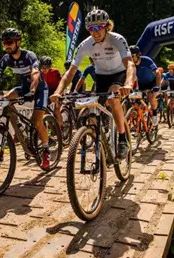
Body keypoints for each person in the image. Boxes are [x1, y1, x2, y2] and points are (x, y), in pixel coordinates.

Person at [51, 9, 136, 160]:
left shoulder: (117, 39)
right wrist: (58, 91)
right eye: (91, 28)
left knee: (113, 98)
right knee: (93, 107)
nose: (95, 32)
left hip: (118, 73)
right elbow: (70, 72)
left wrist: (128, 83)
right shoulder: (85, 45)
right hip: (101, 76)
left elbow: (130, 64)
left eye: (98, 27)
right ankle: (99, 137)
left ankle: (123, 139)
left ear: (107, 26)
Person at [0, 28, 52, 168]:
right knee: (5, 99)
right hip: (24, 87)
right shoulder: (6, 59)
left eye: (9, 42)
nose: (6, 45)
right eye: (4, 43)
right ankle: (19, 128)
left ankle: (46, 149)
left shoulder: (29, 56)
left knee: (37, 121)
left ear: (18, 42)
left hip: (39, 89)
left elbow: (35, 73)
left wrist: (32, 91)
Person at [130, 46, 161, 125]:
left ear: (138, 55)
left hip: (152, 82)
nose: (130, 58)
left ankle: (154, 113)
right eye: (129, 56)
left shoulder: (146, 60)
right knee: (135, 102)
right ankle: (138, 123)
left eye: (132, 56)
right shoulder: (129, 63)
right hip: (140, 84)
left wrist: (158, 86)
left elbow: (157, 72)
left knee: (151, 97)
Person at [40, 56, 62, 126]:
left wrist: (58, 93)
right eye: (42, 67)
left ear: (50, 67)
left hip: (57, 91)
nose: (43, 70)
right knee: (42, 109)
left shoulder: (55, 72)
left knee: (57, 111)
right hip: (48, 91)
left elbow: (61, 83)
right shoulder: (40, 73)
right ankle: (51, 121)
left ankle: (60, 128)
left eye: (45, 68)